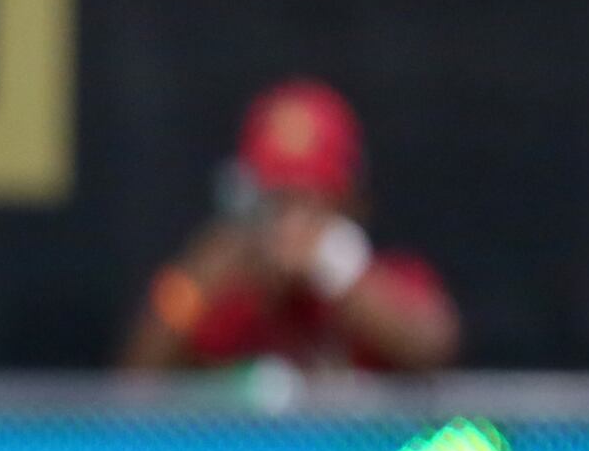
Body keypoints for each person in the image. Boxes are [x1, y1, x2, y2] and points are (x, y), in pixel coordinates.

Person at [125, 79, 458, 376]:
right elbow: (136, 378)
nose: (292, 224)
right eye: (279, 201)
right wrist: (197, 282)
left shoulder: (383, 283)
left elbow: (433, 346)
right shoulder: (218, 291)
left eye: (311, 202)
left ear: (351, 205)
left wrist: (339, 273)